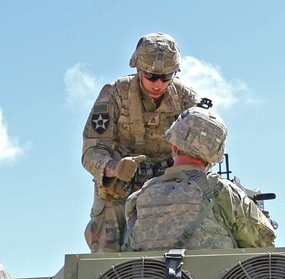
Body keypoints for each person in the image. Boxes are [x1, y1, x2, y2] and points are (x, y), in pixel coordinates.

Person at [82, 33, 206, 253]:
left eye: (166, 77)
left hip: (170, 187)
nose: (159, 83)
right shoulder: (114, 94)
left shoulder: (186, 99)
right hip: (119, 190)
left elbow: (203, 151)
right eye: (151, 75)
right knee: (106, 259)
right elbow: (92, 150)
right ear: (138, 69)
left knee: (179, 253)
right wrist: (114, 168)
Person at [123, 107, 276, 251]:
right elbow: (264, 246)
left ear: (174, 146)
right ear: (215, 154)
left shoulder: (138, 198)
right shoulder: (223, 192)